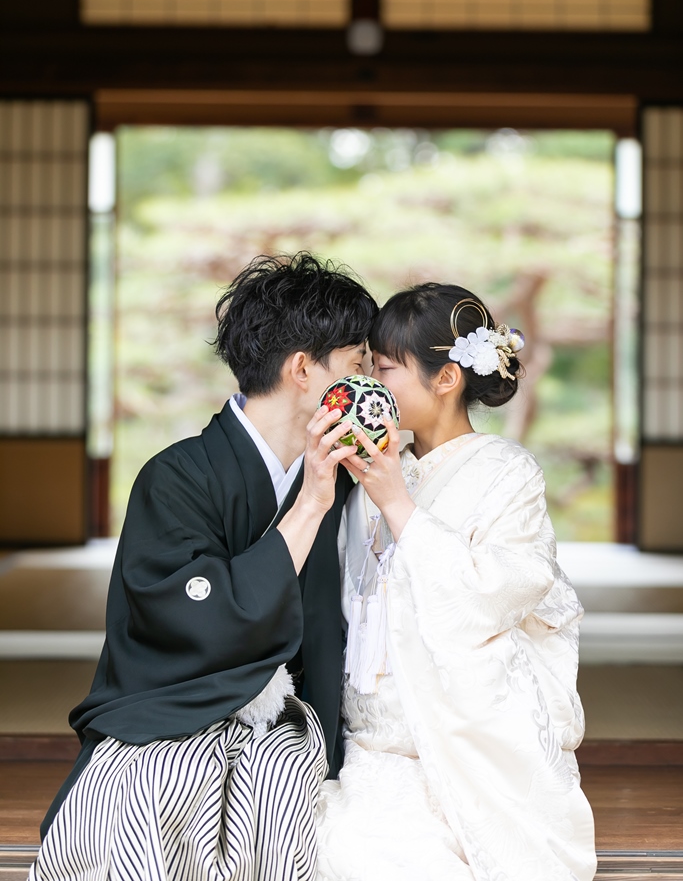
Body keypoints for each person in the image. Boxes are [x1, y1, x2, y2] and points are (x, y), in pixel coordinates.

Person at [31, 252, 378, 881]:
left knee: (289, 791)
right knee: (145, 795)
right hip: (173, 708)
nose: (368, 385)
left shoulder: (347, 477)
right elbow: (192, 617)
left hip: (295, 718)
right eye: (358, 365)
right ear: (304, 370)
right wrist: (310, 505)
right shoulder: (175, 477)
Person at [316, 282, 597, 881]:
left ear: (445, 378)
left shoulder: (507, 473)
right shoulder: (373, 468)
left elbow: (492, 596)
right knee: (343, 846)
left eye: (383, 369)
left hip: (465, 738)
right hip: (374, 742)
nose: (369, 384)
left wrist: (398, 503)